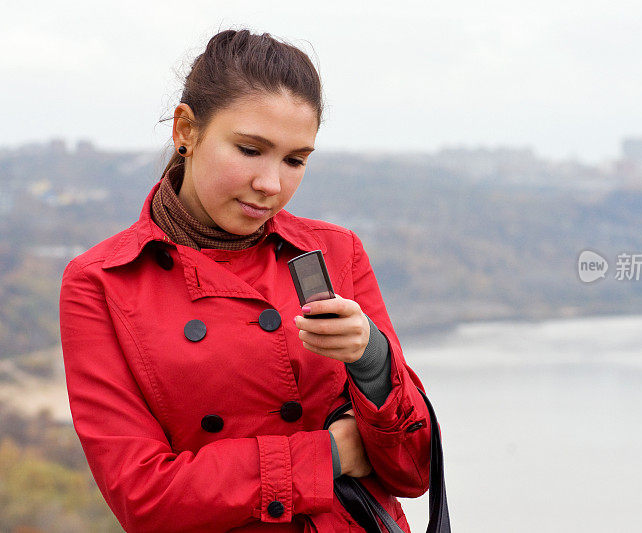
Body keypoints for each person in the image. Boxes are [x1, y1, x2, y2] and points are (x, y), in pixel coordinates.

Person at [58, 28, 432, 533]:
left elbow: (413, 470)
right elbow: (145, 499)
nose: (271, 184)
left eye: (295, 160)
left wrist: (372, 360)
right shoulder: (102, 282)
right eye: (250, 150)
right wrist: (328, 455)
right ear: (186, 130)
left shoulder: (335, 251)